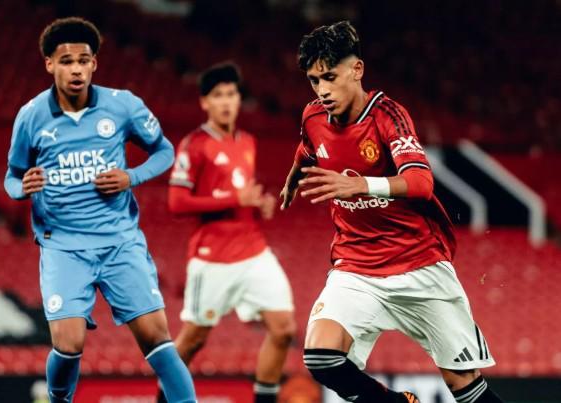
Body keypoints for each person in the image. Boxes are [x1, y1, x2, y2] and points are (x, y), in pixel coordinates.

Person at [280, 21, 504, 403]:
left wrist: (361, 185)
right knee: (320, 356)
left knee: (465, 387)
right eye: (314, 81)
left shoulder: (387, 115)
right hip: (357, 267)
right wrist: (291, 180)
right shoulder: (313, 116)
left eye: (329, 77)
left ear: (357, 69)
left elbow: (421, 182)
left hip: (419, 265)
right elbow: (307, 150)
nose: (322, 90)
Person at [4, 17, 196, 403]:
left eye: (83, 60)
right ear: (49, 64)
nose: (76, 69)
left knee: (157, 336)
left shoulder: (122, 106)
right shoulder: (31, 116)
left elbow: (164, 150)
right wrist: (21, 189)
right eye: (66, 61)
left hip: (119, 241)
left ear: (94, 63)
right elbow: (12, 176)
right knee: (68, 343)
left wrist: (131, 176)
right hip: (63, 247)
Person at [161, 63, 297, 403]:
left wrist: (258, 206)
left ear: (239, 99)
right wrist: (235, 199)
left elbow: (240, 194)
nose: (226, 102)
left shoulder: (247, 142)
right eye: (218, 95)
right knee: (193, 339)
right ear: (204, 102)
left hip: (254, 252)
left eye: (231, 94)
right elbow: (176, 203)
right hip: (213, 258)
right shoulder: (194, 145)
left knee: (283, 329)